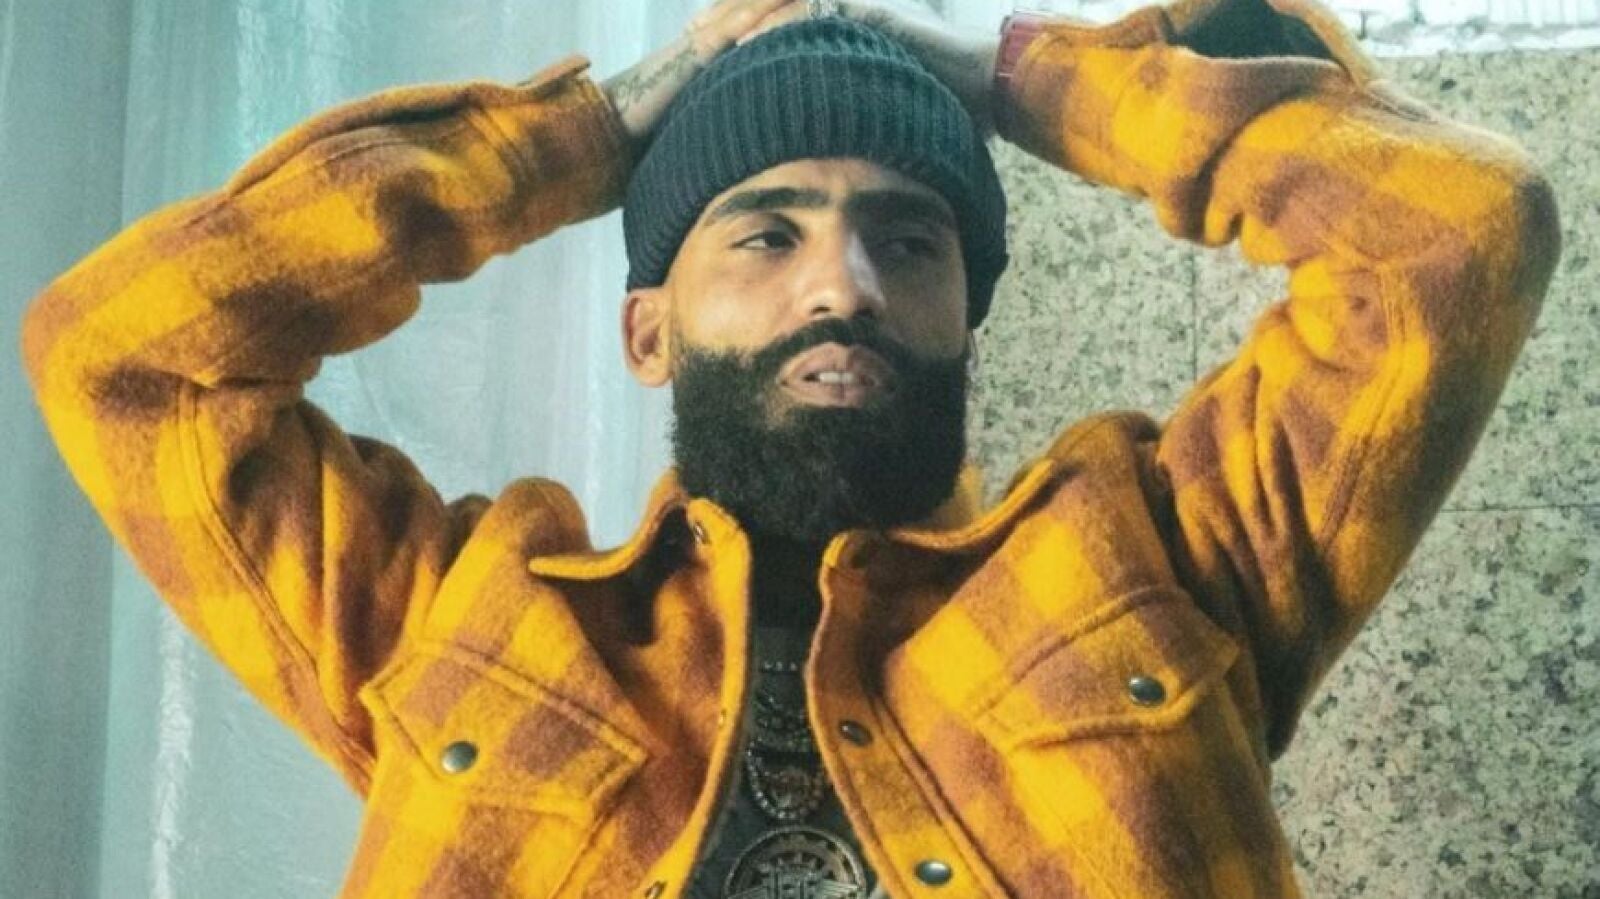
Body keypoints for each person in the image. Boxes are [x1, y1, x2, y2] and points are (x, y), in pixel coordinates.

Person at [20, 0, 1559, 894]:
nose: (844, 285)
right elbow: (124, 352)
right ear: (648, 333)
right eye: (764, 233)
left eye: (910, 238)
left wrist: (1013, 78)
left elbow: (1454, 233)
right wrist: (586, 135)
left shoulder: (1173, 563)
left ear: (967, 322)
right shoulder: (461, 619)